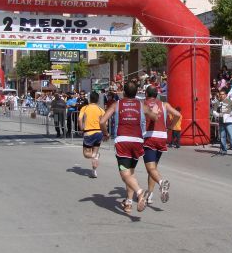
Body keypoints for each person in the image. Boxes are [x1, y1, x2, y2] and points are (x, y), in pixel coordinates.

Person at [99, 81, 158, 214]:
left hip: (123, 141)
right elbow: (154, 117)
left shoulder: (117, 104)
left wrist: (106, 133)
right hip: (138, 141)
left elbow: (102, 121)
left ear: (123, 92)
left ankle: (140, 192)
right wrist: (154, 113)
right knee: (130, 173)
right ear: (137, 92)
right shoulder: (141, 105)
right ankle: (129, 203)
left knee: (125, 174)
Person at [143, 86, 181, 205]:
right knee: (153, 168)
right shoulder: (164, 104)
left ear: (146, 94)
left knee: (150, 168)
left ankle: (161, 182)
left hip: (149, 137)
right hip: (162, 137)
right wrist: (170, 127)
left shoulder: (143, 104)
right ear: (157, 94)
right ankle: (149, 194)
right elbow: (178, 115)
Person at [77, 91, 106, 178]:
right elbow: (105, 123)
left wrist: (81, 128)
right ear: (98, 100)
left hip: (89, 132)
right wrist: (105, 133)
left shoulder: (85, 108)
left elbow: (79, 119)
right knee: (95, 152)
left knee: (86, 154)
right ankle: (94, 171)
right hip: (99, 132)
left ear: (90, 99)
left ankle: (95, 156)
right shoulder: (101, 110)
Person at [212, 89, 232, 156]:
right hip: (221, 121)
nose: (221, 95)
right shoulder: (217, 103)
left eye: (223, 94)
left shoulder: (229, 101)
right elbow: (214, 112)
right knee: (222, 137)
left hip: (229, 121)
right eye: (220, 94)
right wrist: (218, 115)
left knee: (231, 136)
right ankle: (224, 150)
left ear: (225, 95)